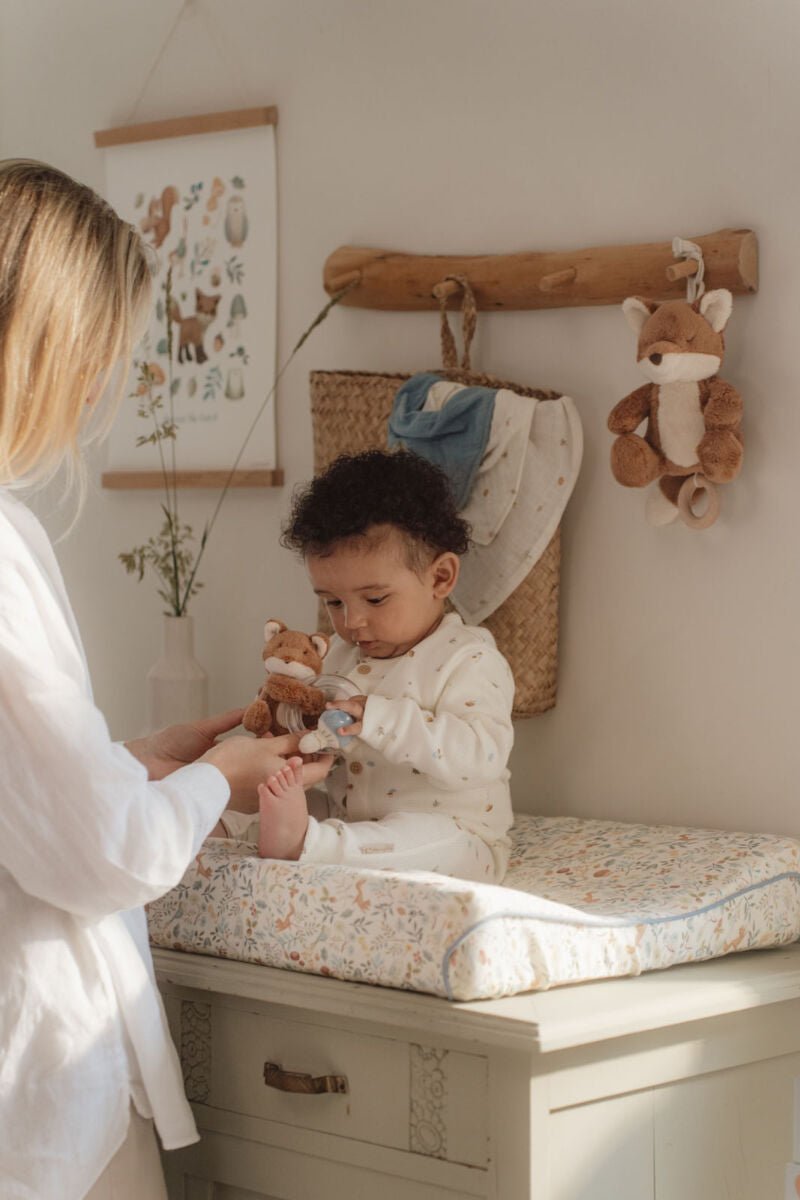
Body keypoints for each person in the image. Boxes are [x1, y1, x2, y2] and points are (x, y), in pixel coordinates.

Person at [0, 159, 331, 1200]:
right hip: (40, 1079)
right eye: (99, 357)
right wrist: (217, 781)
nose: (100, 389)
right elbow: (96, 853)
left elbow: (26, 789)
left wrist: (143, 761)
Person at [255, 448, 515, 882]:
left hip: (458, 834)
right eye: (333, 602)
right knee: (283, 797)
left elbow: (480, 756)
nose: (351, 621)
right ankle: (230, 828)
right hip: (352, 817)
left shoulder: (468, 658)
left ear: (440, 578)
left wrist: (379, 719)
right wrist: (292, 725)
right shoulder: (340, 655)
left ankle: (308, 845)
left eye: (375, 599)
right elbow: (325, 739)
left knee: (425, 839)